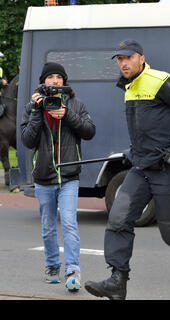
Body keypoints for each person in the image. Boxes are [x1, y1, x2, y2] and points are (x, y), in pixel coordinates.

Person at [84, 39, 170, 300]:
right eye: (119, 59)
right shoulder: (128, 87)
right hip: (140, 168)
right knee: (118, 218)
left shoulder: (161, 81)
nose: (123, 63)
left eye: (128, 58)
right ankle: (117, 280)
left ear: (141, 58)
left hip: (169, 169)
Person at [20, 62, 96, 292]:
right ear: (43, 82)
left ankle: (72, 270)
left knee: (70, 224)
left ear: (64, 81)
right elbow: (27, 140)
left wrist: (67, 114)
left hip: (69, 175)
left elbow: (89, 131)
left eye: (58, 77)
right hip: (43, 176)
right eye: (50, 77)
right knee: (48, 227)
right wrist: (35, 111)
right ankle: (53, 266)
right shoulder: (32, 106)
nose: (54, 81)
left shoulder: (76, 104)